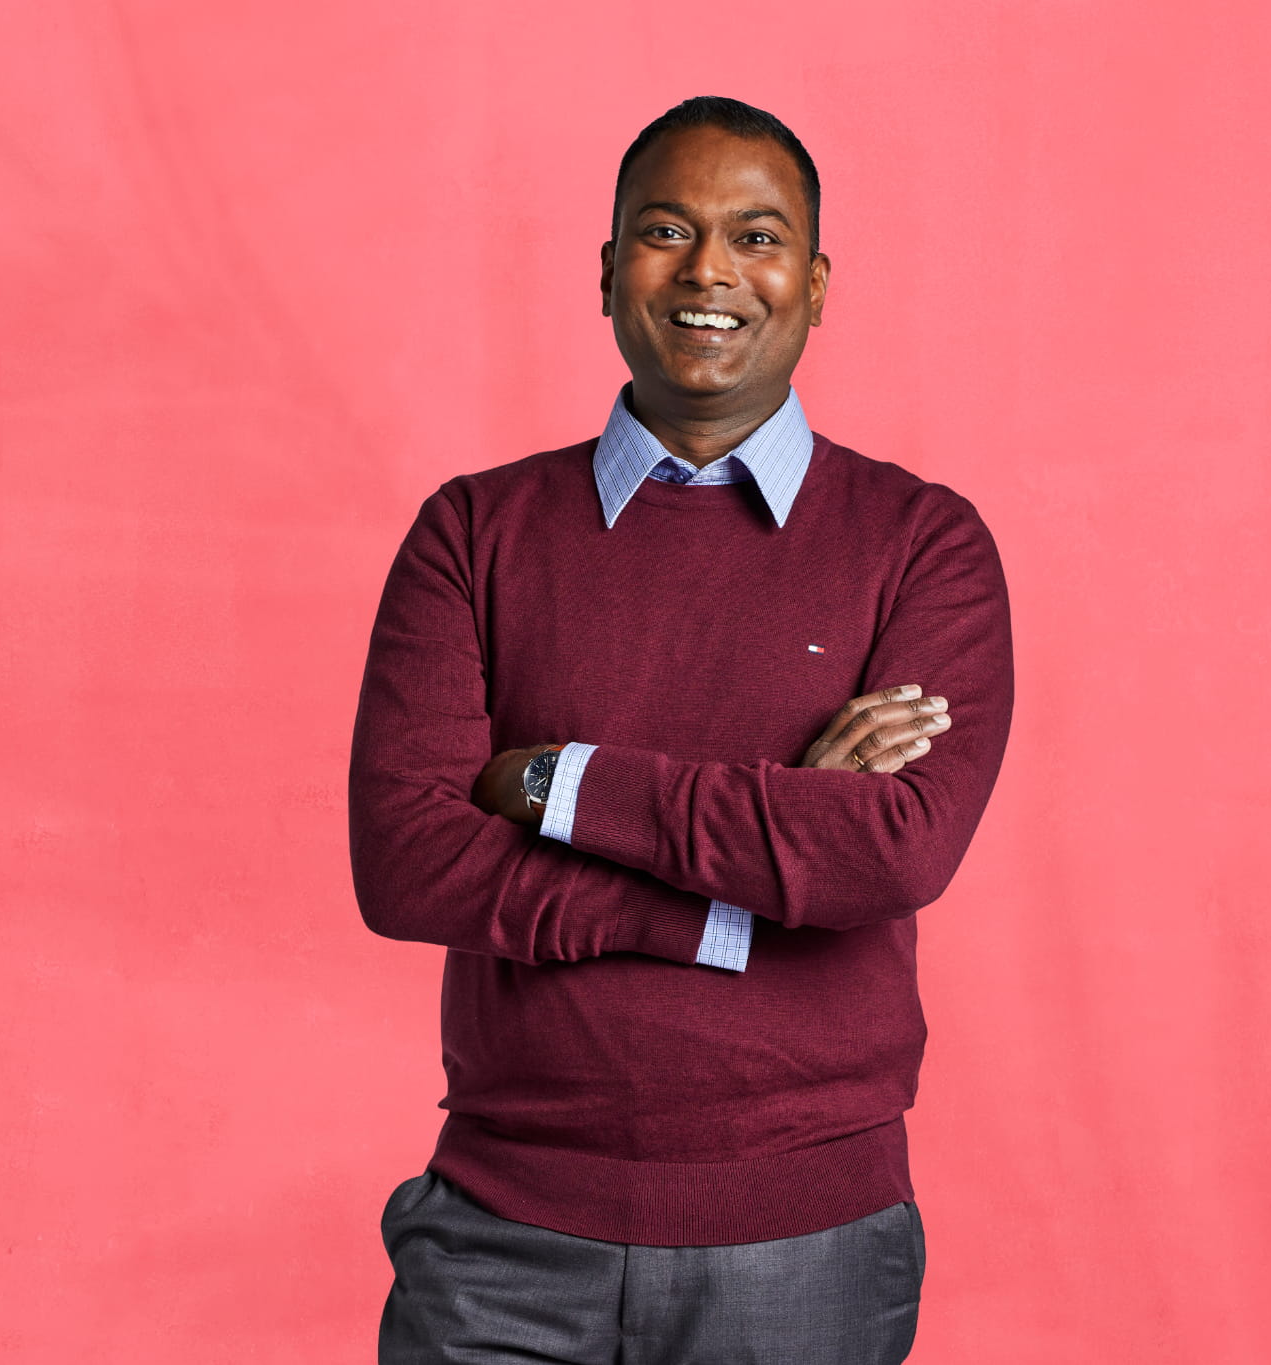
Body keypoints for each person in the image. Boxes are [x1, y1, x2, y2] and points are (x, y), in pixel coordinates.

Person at [349, 94, 1014, 1364]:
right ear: (608, 273)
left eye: (756, 238)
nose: (709, 270)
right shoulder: (471, 532)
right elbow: (406, 860)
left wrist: (553, 780)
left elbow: (888, 853)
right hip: (498, 1235)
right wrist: (740, 883)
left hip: (805, 1243)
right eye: (665, 229)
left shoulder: (921, 543)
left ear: (815, 286)